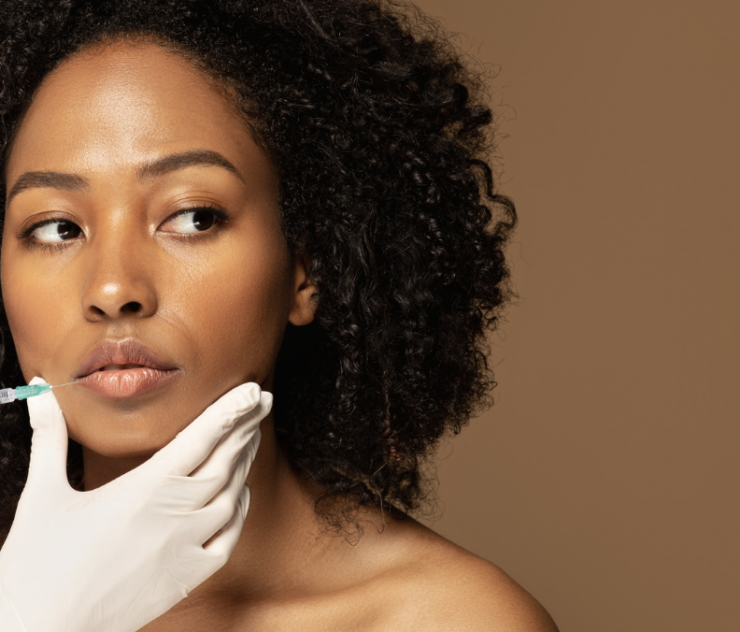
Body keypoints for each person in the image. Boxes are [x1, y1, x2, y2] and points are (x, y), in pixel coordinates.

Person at [0, 0, 559, 630]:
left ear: (306, 271)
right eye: (56, 227)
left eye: (194, 217)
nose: (112, 288)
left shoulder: (448, 619)